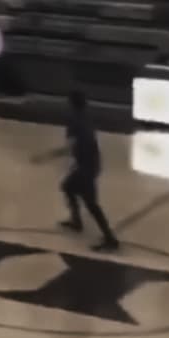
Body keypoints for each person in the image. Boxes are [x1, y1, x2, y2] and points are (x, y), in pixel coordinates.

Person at [45, 92, 119, 252]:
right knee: (68, 187)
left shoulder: (73, 121)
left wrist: (49, 155)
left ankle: (110, 239)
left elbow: (69, 148)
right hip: (92, 164)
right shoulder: (87, 117)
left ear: (71, 104)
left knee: (91, 204)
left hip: (86, 167)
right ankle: (77, 221)